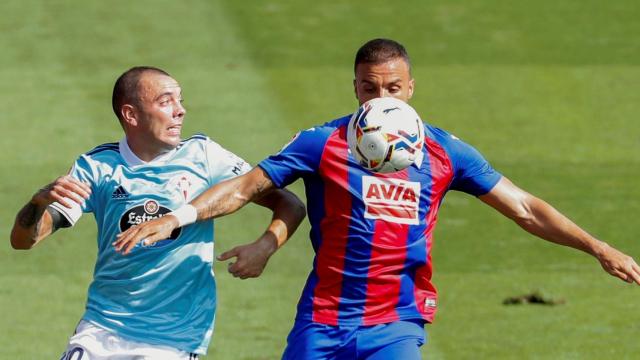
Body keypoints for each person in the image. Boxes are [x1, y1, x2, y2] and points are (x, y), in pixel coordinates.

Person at [115, 40, 640, 359]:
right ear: (355, 87)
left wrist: (598, 246)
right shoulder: (322, 143)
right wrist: (178, 216)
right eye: (370, 89)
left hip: (396, 323)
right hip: (321, 320)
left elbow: (525, 208)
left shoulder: (445, 153)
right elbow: (245, 187)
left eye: (392, 87)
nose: (381, 100)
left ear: (410, 87)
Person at [10, 66, 306, 359]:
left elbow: (290, 204)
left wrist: (265, 246)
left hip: (172, 339)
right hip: (100, 329)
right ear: (131, 114)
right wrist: (37, 205)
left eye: (180, 100)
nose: (180, 111)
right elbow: (23, 241)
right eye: (166, 102)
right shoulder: (98, 167)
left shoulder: (204, 156)